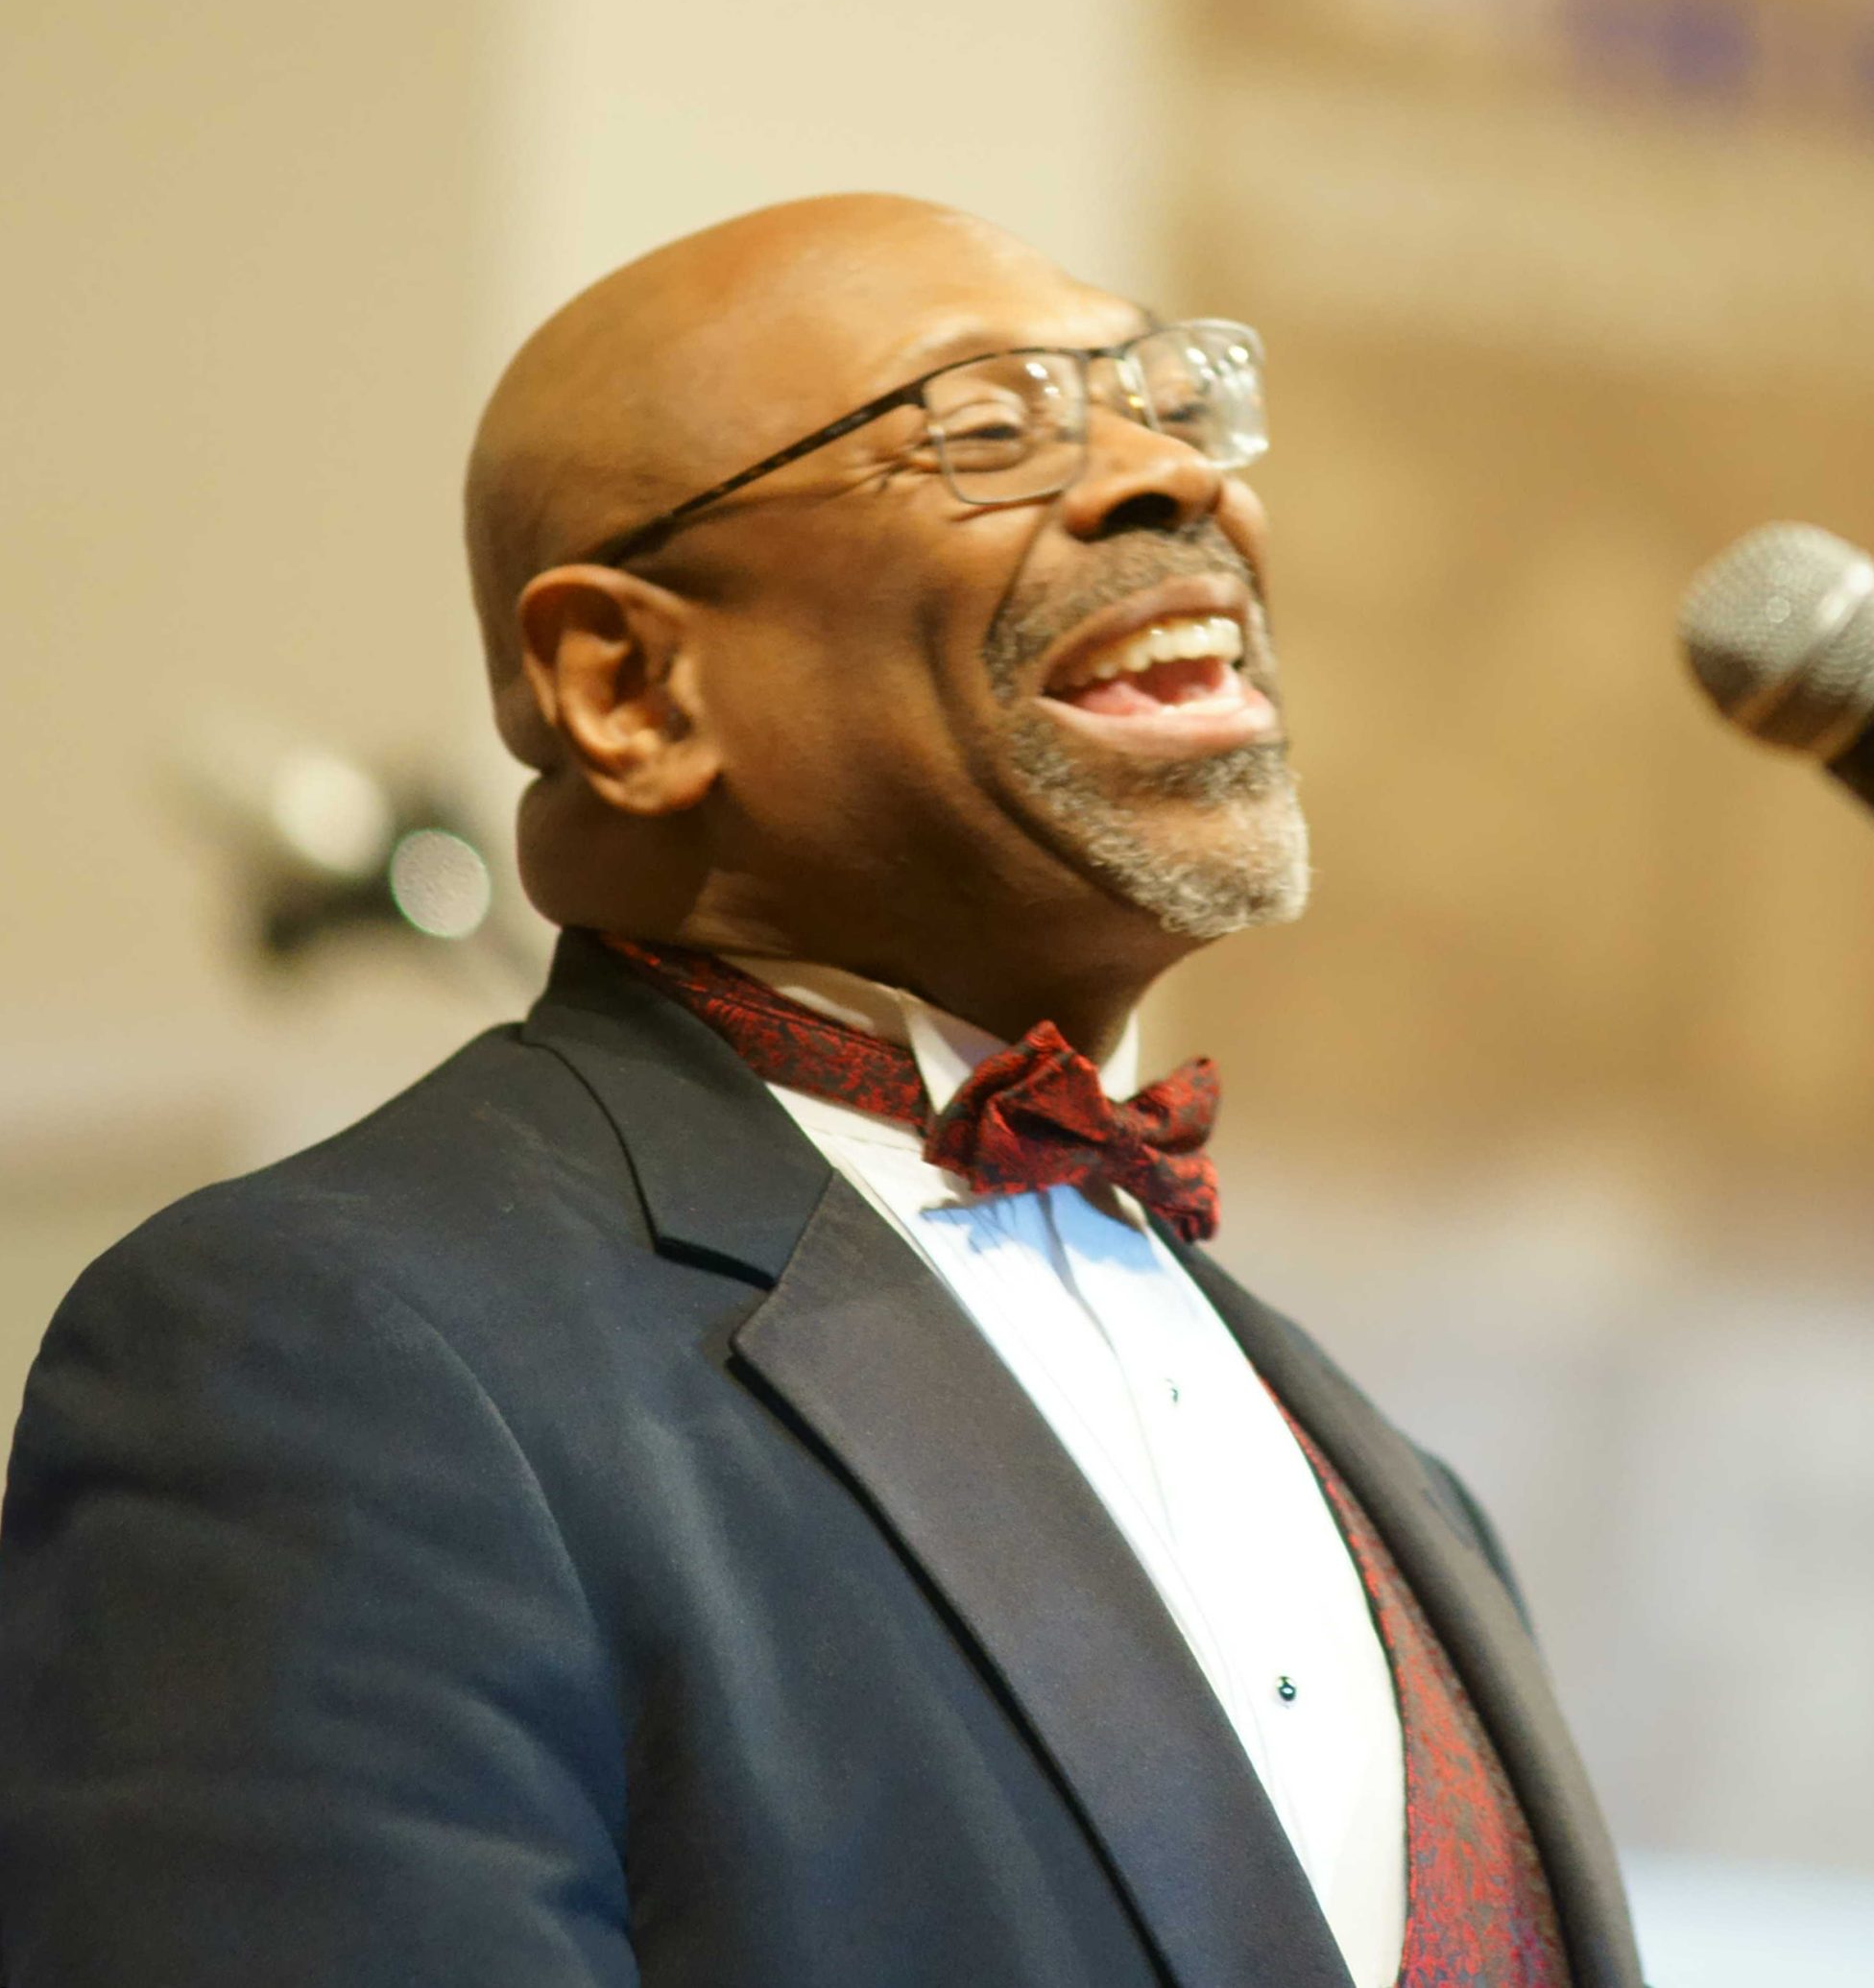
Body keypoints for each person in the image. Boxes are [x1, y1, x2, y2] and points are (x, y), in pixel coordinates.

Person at [0, 195, 1645, 1988]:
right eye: (990, 426)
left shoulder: (1391, 1475)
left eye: (1171, 399)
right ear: (630, 686)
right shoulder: (333, 1355)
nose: (1175, 480)